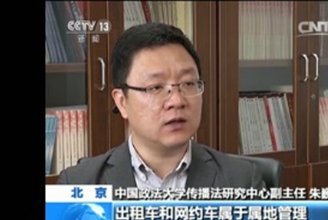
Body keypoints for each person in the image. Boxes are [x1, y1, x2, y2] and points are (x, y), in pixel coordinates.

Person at [58, 22, 265, 190]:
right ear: (122, 102)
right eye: (156, 87)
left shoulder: (242, 181)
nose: (177, 101)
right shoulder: (78, 185)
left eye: (188, 84)